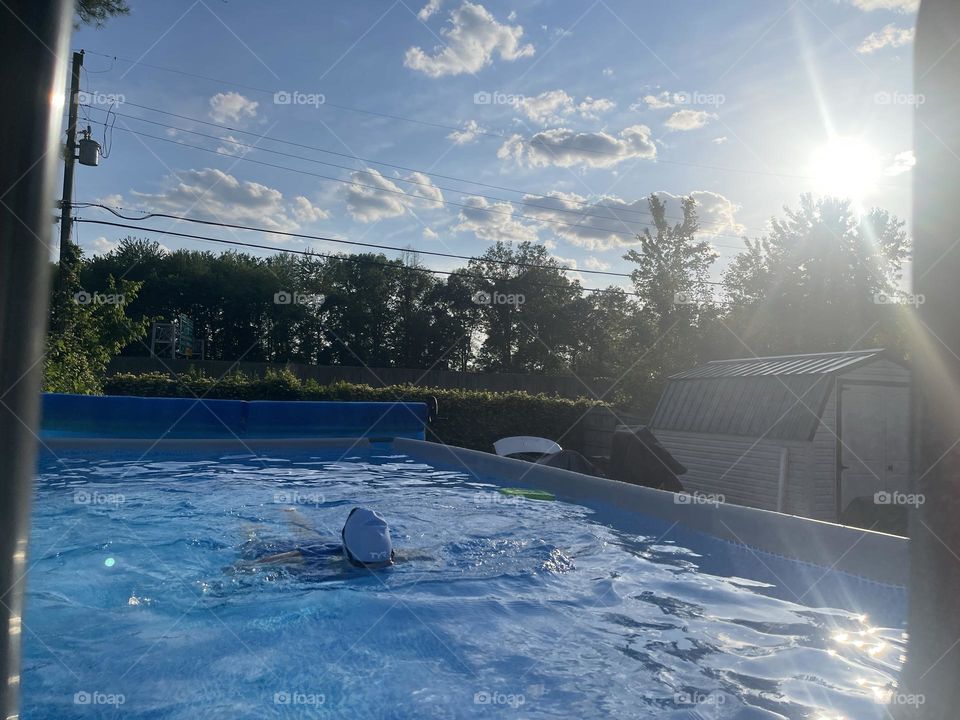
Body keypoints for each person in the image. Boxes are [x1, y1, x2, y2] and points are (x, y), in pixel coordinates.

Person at [249, 506, 396, 570]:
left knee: (306, 534)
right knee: (306, 534)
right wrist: (253, 564)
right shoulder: (392, 558)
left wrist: (249, 566)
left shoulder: (388, 556)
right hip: (322, 548)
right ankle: (290, 512)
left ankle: (251, 526)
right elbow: (294, 554)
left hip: (323, 548)